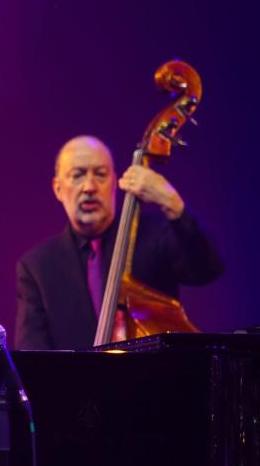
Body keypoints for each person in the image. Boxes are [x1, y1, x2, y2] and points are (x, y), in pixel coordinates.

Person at [15, 135, 224, 350]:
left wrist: (173, 204)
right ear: (58, 188)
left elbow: (207, 269)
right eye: (77, 175)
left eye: (100, 174)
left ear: (115, 182)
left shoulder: (156, 235)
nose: (89, 187)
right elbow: (31, 351)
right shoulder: (37, 267)